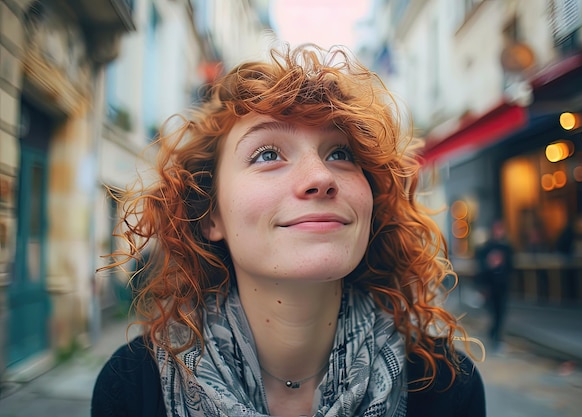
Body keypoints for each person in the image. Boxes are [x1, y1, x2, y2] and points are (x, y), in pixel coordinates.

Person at [92, 44, 485, 417]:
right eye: (267, 155)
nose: (321, 177)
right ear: (211, 215)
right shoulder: (130, 388)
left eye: (340, 154)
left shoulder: (446, 386)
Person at [475, 219, 514, 351]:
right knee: (493, 312)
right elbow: (480, 266)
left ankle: (496, 336)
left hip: (502, 285)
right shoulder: (486, 248)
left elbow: (511, 265)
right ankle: (493, 334)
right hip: (490, 286)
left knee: (500, 312)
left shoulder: (507, 248)